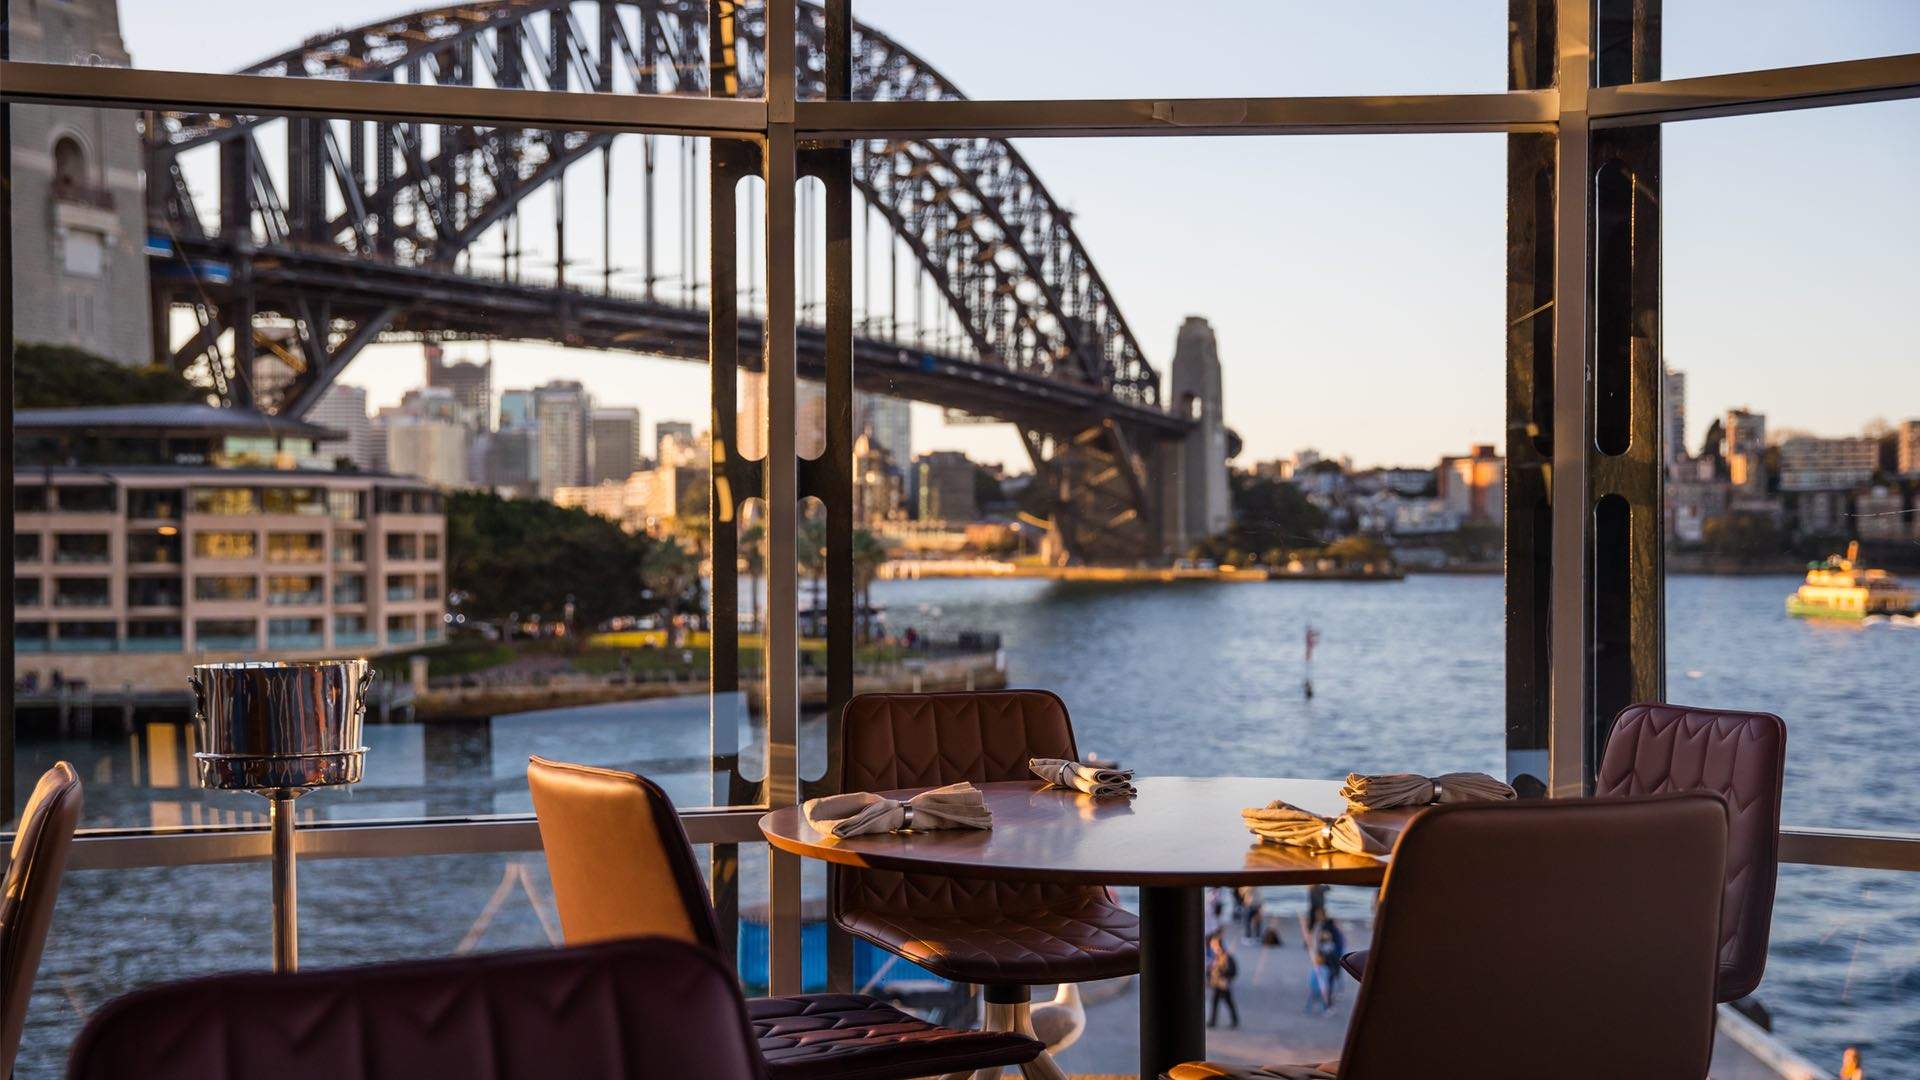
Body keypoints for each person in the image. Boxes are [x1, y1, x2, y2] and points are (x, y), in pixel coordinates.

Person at [1206, 933, 1239, 1029]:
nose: (1212, 946)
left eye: (1213, 944)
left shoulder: (1225, 956)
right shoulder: (1217, 956)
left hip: (1223, 984)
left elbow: (1232, 970)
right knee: (1217, 1001)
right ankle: (1214, 1021)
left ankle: (1233, 1020)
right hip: (1217, 983)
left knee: (1226, 1001)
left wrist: (1222, 974)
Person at [1313, 917, 1347, 1011]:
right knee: (1330, 980)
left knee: (1332, 979)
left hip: (1333, 962)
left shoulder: (1334, 938)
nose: (1323, 934)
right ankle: (1329, 1000)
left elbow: (1331, 952)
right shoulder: (1331, 935)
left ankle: (1329, 1002)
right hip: (1329, 963)